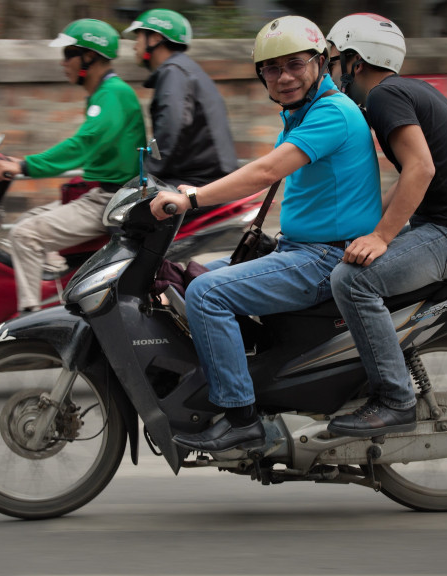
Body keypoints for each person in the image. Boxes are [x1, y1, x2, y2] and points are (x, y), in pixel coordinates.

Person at [149, 16, 382, 452]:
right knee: (191, 282)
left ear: (321, 62)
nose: (284, 77)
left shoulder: (331, 112)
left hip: (324, 258)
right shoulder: (304, 115)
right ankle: (255, 378)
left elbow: (267, 170)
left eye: (295, 64)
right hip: (303, 249)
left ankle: (241, 418)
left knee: (207, 295)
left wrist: (193, 198)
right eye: (272, 69)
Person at [325, 14, 447, 437]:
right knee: (349, 256)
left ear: (356, 61)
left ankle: (395, 400)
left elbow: (420, 169)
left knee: (351, 281)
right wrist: (369, 227)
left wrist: (382, 235)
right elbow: (411, 175)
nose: (330, 72)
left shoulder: (386, 96)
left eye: (333, 61)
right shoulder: (402, 90)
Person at [0, 19, 146, 313]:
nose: (63, 63)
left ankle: (29, 321)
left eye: (68, 54)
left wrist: (24, 166)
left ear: (90, 57)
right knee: (23, 225)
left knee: (24, 235)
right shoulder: (105, 94)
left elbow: (84, 143)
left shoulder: (113, 95)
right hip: (100, 194)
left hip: (109, 200)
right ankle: (55, 295)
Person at [123, 8, 238, 187]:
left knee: (131, 212)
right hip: (207, 176)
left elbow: (170, 129)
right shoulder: (183, 69)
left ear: (155, 38)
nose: (134, 46)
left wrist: (146, 175)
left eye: (138, 37)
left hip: (198, 181)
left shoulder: (174, 72)